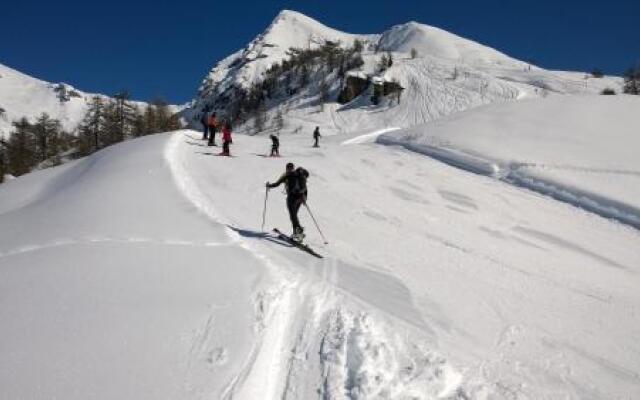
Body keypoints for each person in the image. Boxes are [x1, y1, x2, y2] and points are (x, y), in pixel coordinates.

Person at [266, 162, 309, 240]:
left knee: (292, 215)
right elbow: (305, 188)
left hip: (292, 198)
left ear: (287, 168)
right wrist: (304, 198)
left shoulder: (287, 175)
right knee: (294, 215)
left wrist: (269, 185)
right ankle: (296, 232)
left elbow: (277, 184)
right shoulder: (299, 175)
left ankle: (298, 230)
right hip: (300, 197)